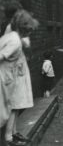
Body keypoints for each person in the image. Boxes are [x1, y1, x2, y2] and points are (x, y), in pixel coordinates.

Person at [0, 9, 38, 146]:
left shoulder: (13, 36)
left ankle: (12, 134)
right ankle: (8, 137)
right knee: (9, 106)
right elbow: (4, 54)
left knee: (13, 104)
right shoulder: (13, 37)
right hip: (8, 73)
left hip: (14, 69)